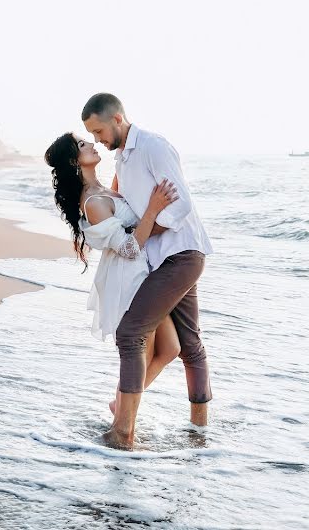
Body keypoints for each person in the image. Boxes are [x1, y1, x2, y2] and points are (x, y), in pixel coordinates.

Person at [82, 93, 214, 450]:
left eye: (99, 131)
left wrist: (148, 224)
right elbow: (120, 206)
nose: (98, 140)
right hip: (159, 259)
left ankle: (123, 431)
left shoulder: (154, 146)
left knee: (130, 333)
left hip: (182, 253)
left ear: (118, 118)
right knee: (188, 344)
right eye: (91, 135)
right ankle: (199, 433)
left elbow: (181, 203)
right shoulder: (122, 160)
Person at [44, 133, 182, 425]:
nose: (92, 144)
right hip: (130, 279)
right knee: (146, 353)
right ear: (73, 161)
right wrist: (154, 208)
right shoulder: (92, 202)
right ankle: (122, 423)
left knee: (170, 349)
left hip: (141, 272)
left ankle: (118, 404)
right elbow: (130, 248)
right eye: (83, 145)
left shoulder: (103, 189)